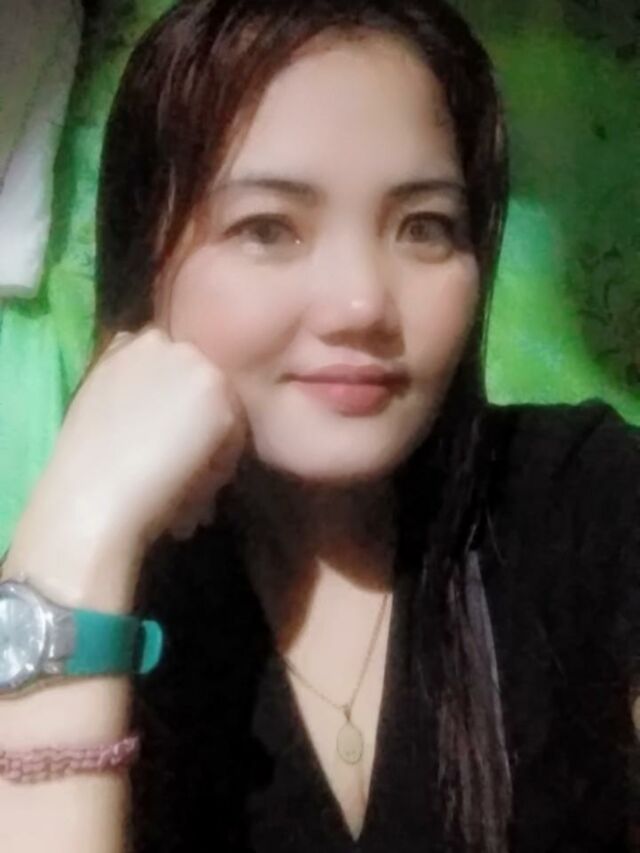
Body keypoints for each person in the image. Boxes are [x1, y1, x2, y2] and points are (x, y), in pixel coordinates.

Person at [0, 0, 638, 851]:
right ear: (145, 263)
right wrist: (76, 538)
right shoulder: (97, 575)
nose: (362, 303)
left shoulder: (579, 495)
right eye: (267, 228)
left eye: (425, 227)